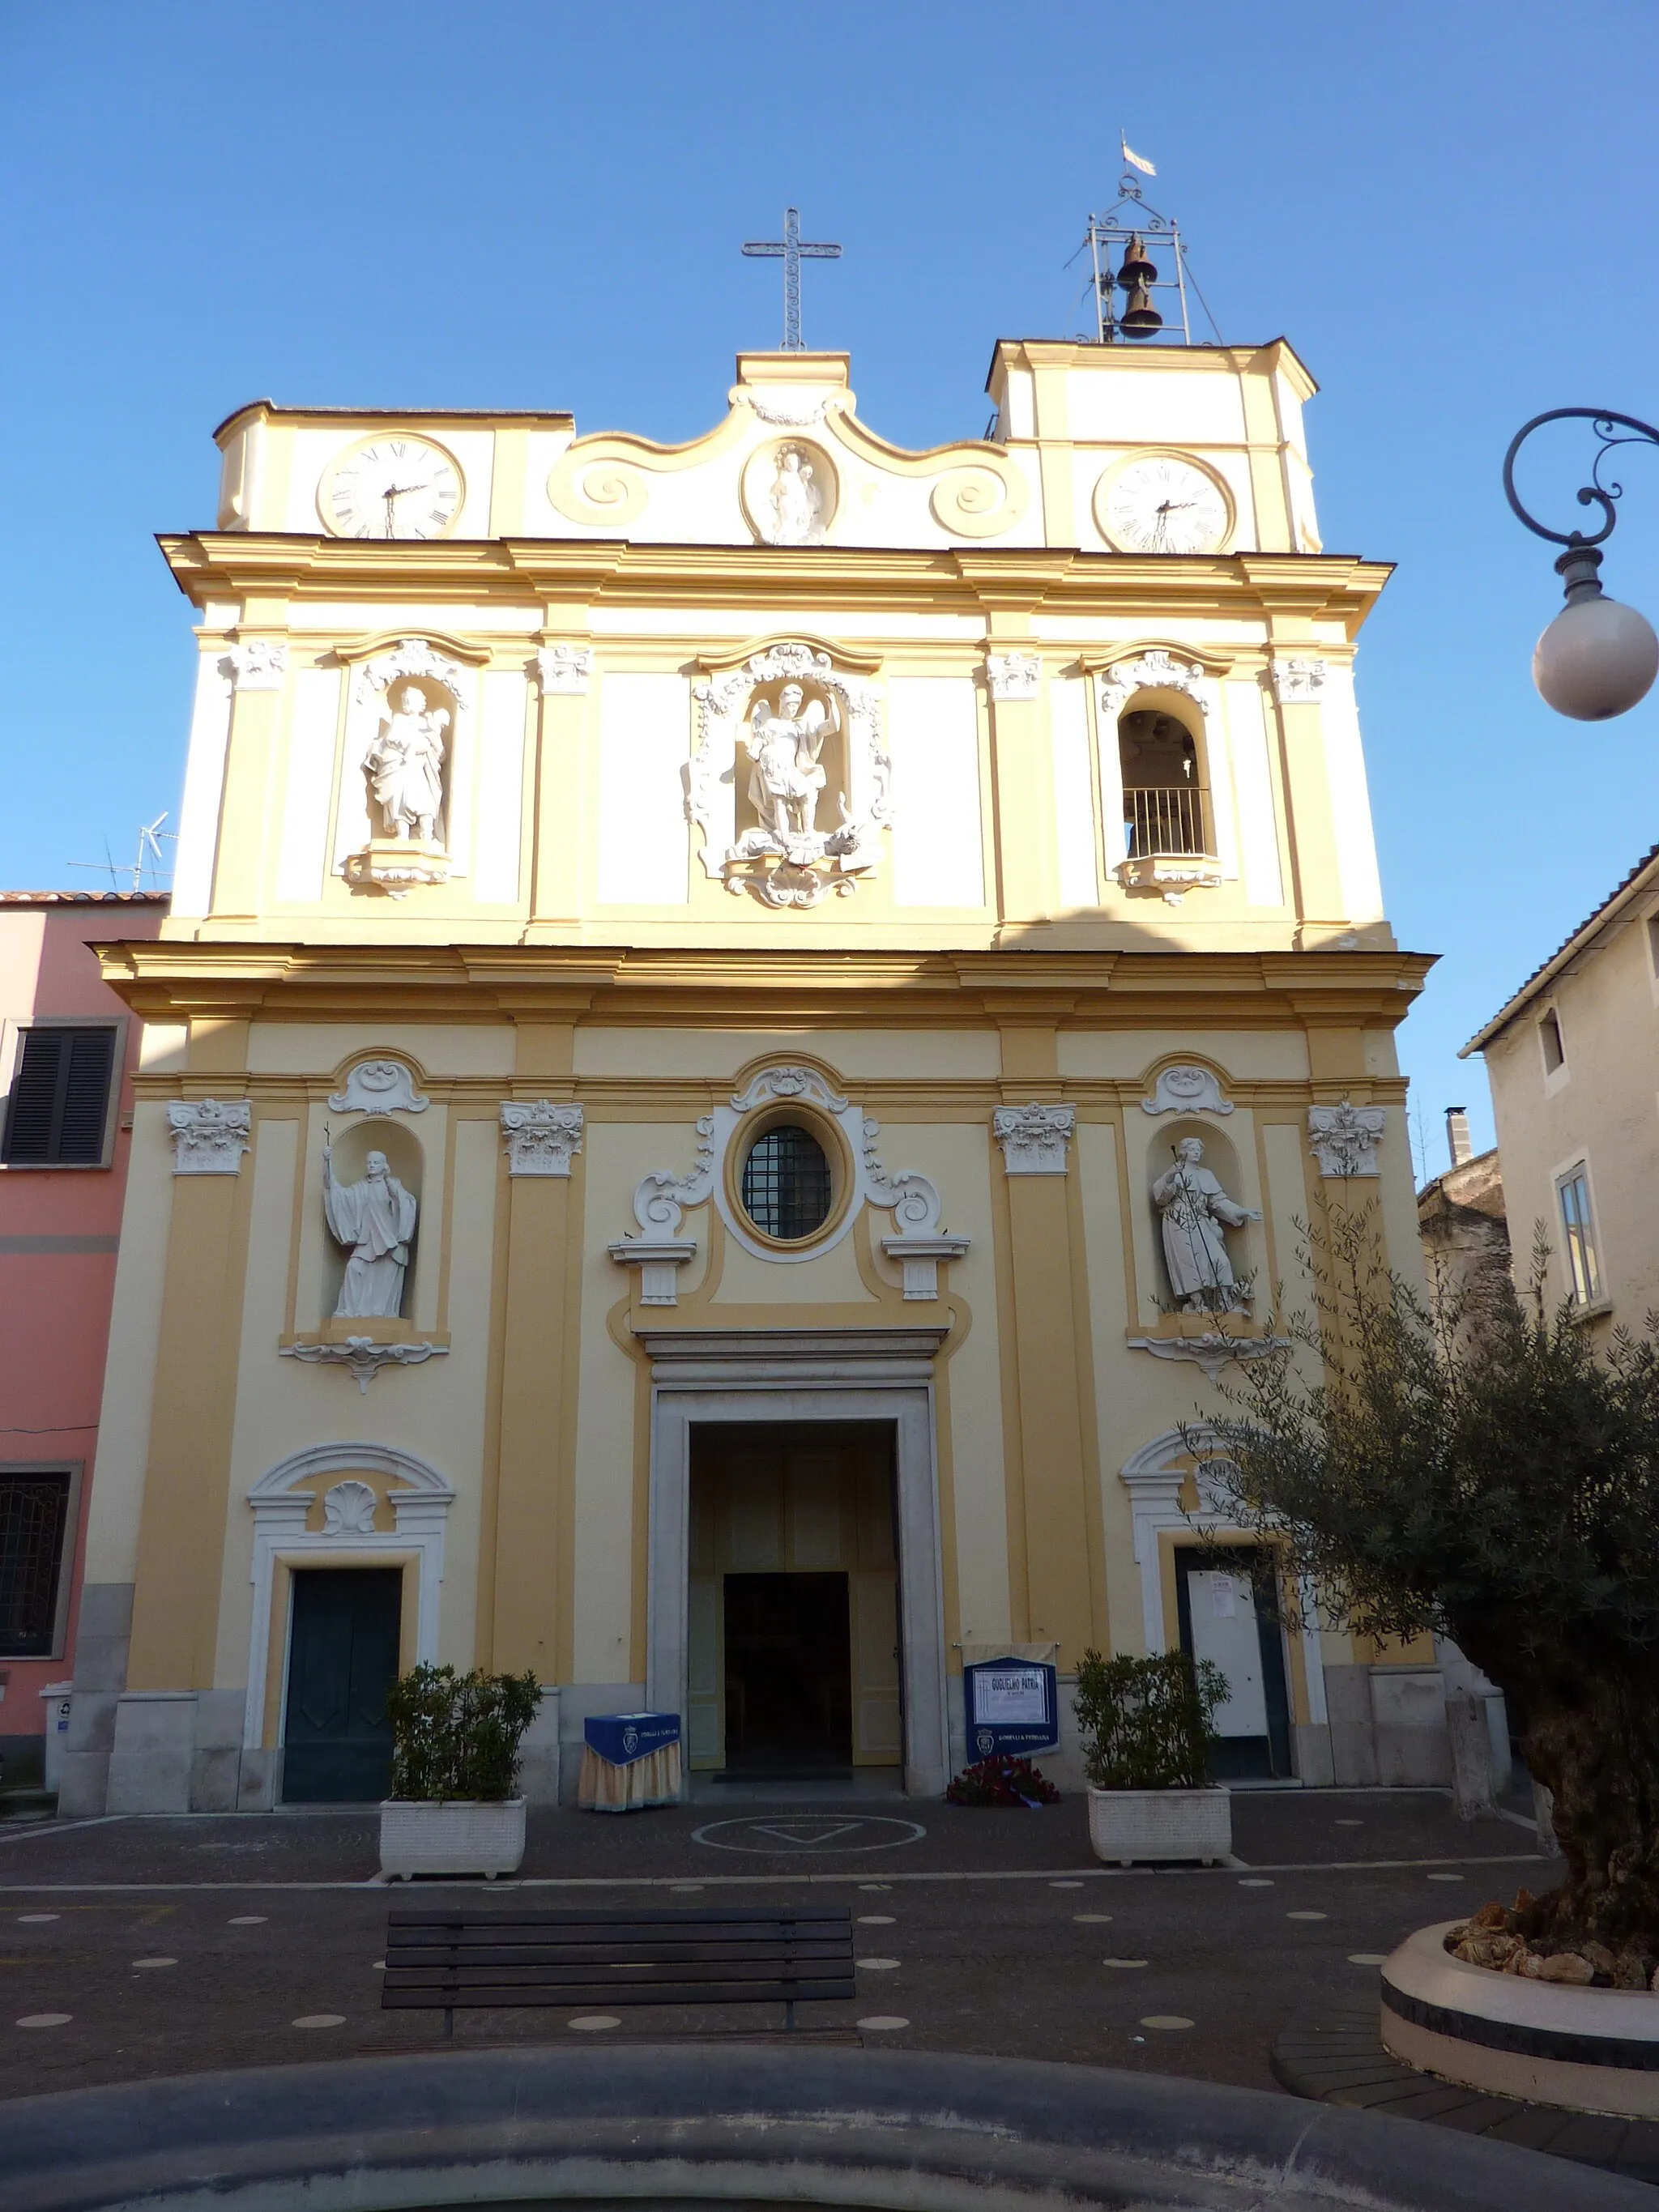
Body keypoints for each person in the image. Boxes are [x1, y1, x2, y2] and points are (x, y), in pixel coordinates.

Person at [1151, 1136, 1260, 1312]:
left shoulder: (1206, 1174)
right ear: (1183, 1152)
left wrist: (1242, 1211)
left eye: (1199, 1150)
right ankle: (1198, 1304)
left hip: (1202, 1221)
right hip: (1179, 1222)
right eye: (1193, 1149)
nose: (1197, 1153)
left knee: (1220, 1260)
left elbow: (1218, 1202)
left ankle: (1225, 1303)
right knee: (1189, 1262)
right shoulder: (1174, 1172)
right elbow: (1160, 1197)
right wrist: (1171, 1176)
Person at [323, 1143, 419, 1318]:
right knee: (354, 1268)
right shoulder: (361, 1186)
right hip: (368, 1239)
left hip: (389, 1239)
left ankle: (379, 1311)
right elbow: (339, 1195)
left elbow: (405, 1202)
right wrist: (328, 1164)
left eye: (376, 1163)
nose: (371, 1166)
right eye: (369, 1163)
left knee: (384, 1276)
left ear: (384, 1165)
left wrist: (388, 1180)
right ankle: (351, 1311)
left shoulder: (393, 1184)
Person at [744, 681, 839, 842]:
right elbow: (760, 739)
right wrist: (754, 750)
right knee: (779, 802)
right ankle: (784, 836)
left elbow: (832, 727)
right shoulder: (772, 723)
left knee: (809, 793)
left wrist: (833, 706)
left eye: (797, 705)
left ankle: (808, 832)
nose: (794, 708)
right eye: (790, 704)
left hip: (791, 768)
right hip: (774, 763)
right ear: (783, 704)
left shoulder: (800, 727)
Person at [367, 684, 447, 842]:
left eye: (410, 699)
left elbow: (440, 755)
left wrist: (433, 741)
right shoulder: (399, 720)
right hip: (400, 767)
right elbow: (391, 739)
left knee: (426, 802)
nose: (405, 702)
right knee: (399, 802)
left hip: (419, 769)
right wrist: (411, 744)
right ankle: (402, 836)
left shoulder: (428, 724)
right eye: (405, 699)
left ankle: (427, 836)